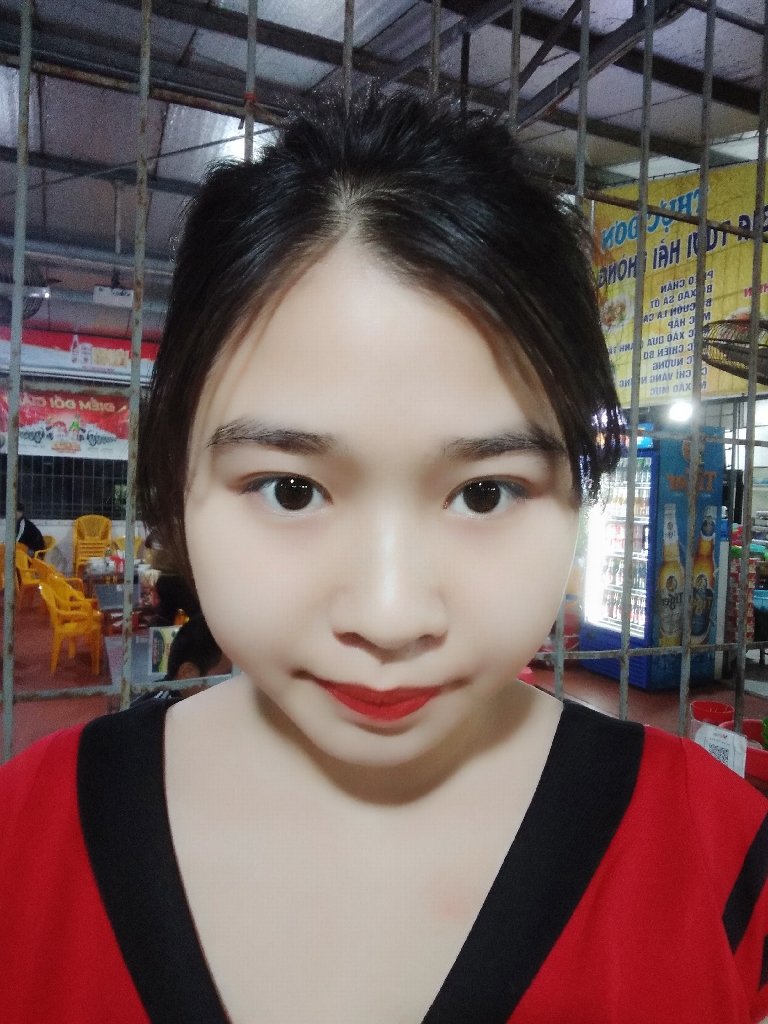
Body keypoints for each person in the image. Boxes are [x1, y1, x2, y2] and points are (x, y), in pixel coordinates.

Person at [0, 90, 766, 1023]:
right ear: (177, 482)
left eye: (485, 493)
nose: (391, 616)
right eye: (291, 490)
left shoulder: (724, 863)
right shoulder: (21, 844)